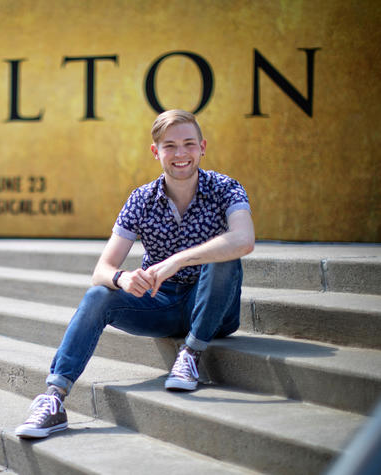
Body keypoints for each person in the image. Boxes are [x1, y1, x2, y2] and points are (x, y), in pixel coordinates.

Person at [15, 109, 255, 439]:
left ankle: (191, 353)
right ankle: (53, 399)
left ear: (202, 147)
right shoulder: (141, 199)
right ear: (156, 152)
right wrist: (122, 278)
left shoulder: (226, 188)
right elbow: (101, 270)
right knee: (99, 294)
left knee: (224, 255)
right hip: (164, 306)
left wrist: (178, 261)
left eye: (188, 144)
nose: (180, 154)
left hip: (217, 308)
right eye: (170, 146)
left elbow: (244, 240)